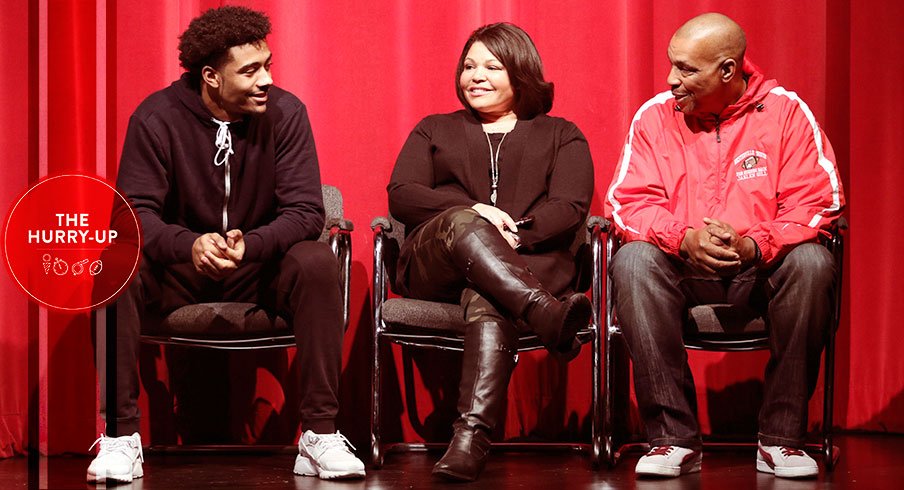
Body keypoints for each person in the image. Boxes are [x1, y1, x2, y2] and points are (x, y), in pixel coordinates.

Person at [86, 6, 364, 483]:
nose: (266, 80)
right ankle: (119, 436)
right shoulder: (157, 118)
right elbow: (131, 215)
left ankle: (319, 433)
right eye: (251, 70)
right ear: (211, 76)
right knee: (115, 261)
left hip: (258, 271)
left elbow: (305, 210)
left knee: (318, 260)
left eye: (268, 65)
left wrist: (250, 244)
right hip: (179, 271)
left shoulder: (286, 113)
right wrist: (190, 245)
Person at [604, 12, 844, 479]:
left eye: (687, 70)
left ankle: (782, 439)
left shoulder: (786, 112)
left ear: (728, 70)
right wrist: (683, 238)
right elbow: (627, 204)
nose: (671, 79)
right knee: (632, 261)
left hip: (761, 271)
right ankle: (672, 438)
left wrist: (756, 243)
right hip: (681, 270)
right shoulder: (654, 117)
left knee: (814, 262)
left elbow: (818, 201)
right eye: (672, 65)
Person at [387, 22, 594, 482]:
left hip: (528, 260)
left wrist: (512, 234)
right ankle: (547, 315)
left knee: (490, 293)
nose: (474, 76)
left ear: (521, 73)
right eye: (468, 66)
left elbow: (570, 205)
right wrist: (475, 210)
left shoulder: (562, 134)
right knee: (466, 222)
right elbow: (402, 194)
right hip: (436, 264)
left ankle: (471, 439)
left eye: (491, 66)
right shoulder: (434, 128)